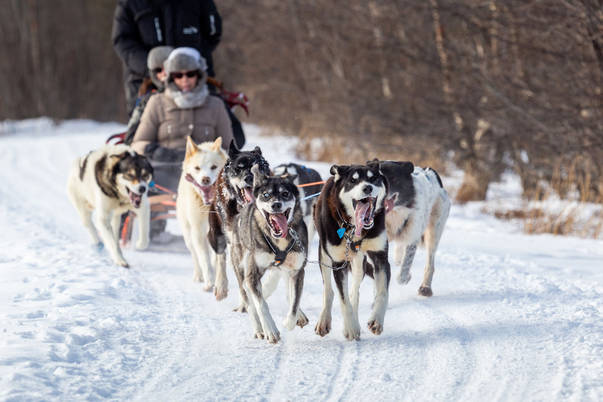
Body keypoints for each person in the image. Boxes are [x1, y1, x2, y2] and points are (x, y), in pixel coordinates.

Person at [131, 47, 234, 191]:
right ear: (171, 78)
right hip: (163, 173)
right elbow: (138, 144)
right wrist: (160, 153)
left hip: (207, 175)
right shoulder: (156, 102)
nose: (185, 80)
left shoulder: (215, 105)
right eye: (178, 75)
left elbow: (229, 147)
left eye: (190, 74)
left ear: (199, 75)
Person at [112, 0, 222, 116]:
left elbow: (213, 34)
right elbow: (122, 41)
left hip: (195, 81)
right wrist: (153, 69)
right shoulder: (129, 3)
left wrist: (190, 65)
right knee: (142, 127)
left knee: (220, 120)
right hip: (146, 82)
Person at [124, 45, 173, 145]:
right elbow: (131, 136)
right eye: (158, 70)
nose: (164, 73)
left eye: (167, 68)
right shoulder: (146, 99)